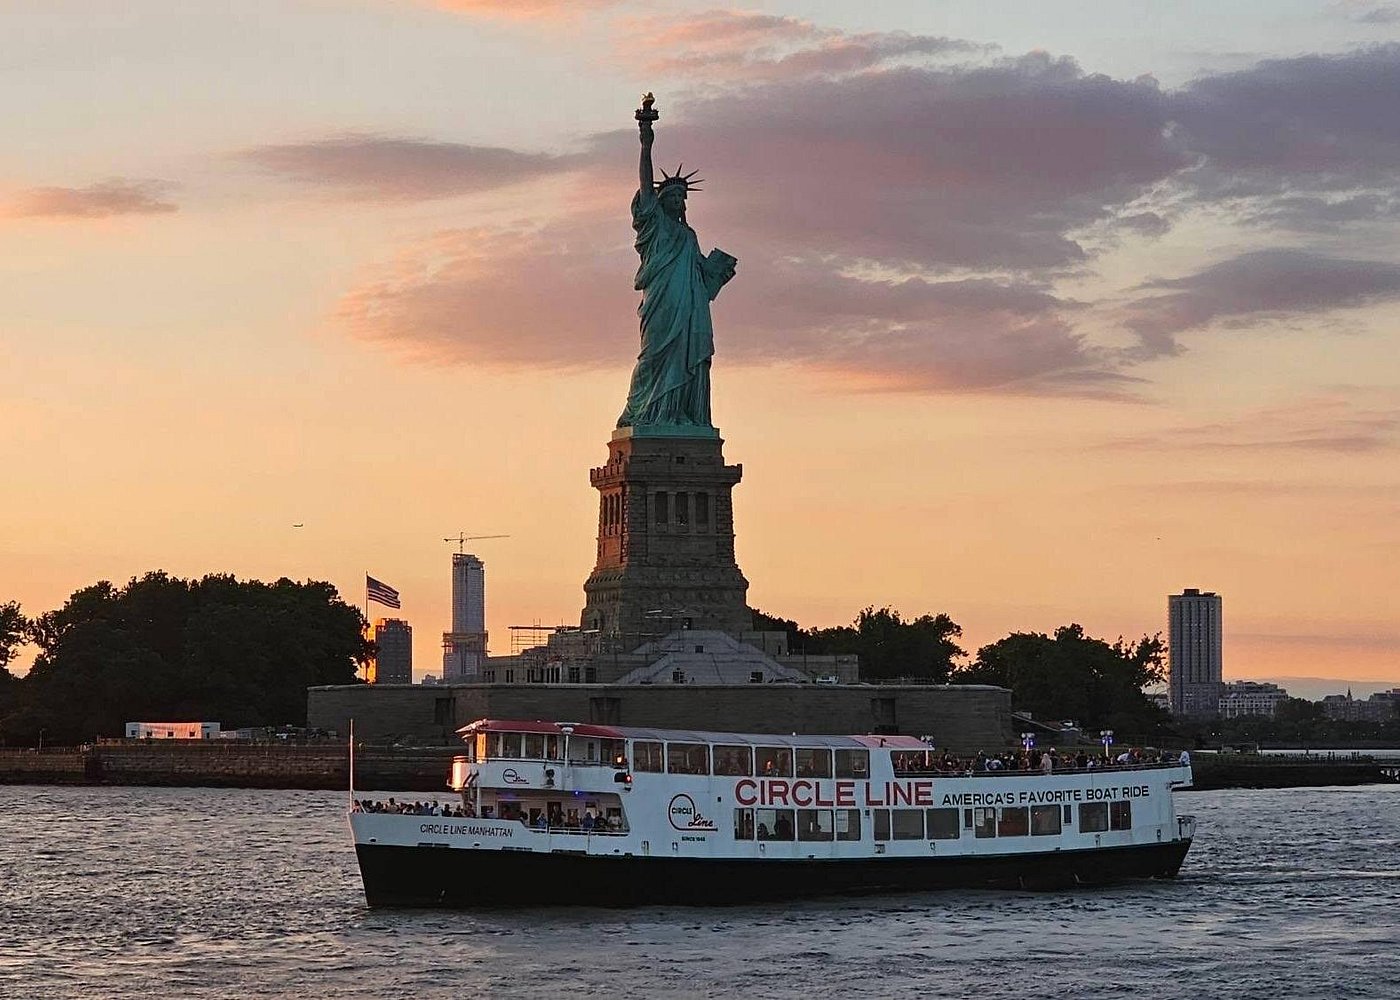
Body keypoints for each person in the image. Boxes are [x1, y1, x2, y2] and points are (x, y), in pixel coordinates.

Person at [617, 93, 736, 431]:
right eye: (674, 197)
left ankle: (682, 415)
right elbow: (644, 185)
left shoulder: (689, 237)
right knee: (653, 356)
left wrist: (719, 272)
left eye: (683, 197)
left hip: (690, 308)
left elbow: (703, 280)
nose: (680, 202)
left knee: (688, 358)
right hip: (662, 303)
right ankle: (645, 413)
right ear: (662, 201)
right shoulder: (654, 226)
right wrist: (645, 141)